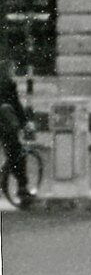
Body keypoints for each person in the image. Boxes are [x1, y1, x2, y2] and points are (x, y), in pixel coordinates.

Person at [0, 60, 33, 203]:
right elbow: (16, 105)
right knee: (18, 154)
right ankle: (22, 189)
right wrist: (25, 123)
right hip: (7, 125)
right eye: (12, 69)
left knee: (12, 154)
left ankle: (7, 176)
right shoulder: (8, 84)